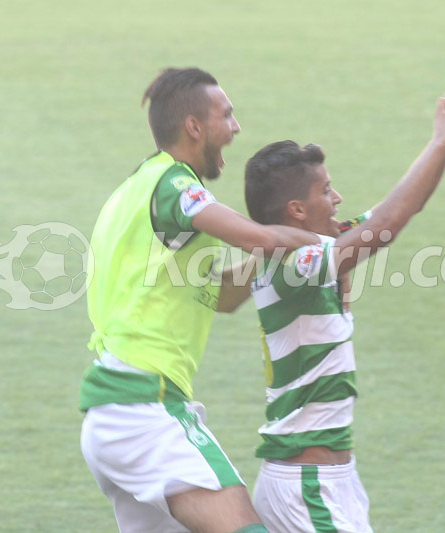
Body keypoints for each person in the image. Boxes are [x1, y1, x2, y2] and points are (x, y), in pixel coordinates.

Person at [79, 67, 318, 533]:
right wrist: (325, 243)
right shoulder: (174, 186)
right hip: (144, 409)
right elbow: (258, 238)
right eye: (226, 115)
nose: (236, 126)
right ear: (194, 126)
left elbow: (221, 297)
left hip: (112, 412)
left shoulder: (136, 188)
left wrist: (274, 253)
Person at [242, 93, 445, 532]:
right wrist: (440, 141)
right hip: (307, 486)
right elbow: (385, 226)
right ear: (297, 210)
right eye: (326, 190)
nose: (338, 198)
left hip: (331, 481)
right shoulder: (290, 266)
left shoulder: (315, 247)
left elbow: (398, 209)